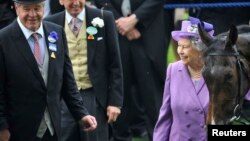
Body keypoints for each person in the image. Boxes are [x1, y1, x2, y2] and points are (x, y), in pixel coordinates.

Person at [0, 0, 98, 141]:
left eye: (37, 8)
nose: (32, 14)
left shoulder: (56, 32)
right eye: (27, 9)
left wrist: (81, 114)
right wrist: (2, 127)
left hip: (53, 129)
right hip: (17, 131)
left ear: (44, 7)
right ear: (16, 8)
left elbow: (67, 81)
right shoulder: (3, 40)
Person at [45, 0, 123, 141]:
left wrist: (115, 102)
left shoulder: (103, 17)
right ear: (61, 1)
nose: (75, 3)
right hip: (64, 99)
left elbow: (115, 63)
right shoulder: (50, 22)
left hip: (94, 95)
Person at [93, 0, 167, 140]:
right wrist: (121, 23)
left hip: (148, 29)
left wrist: (135, 18)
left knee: (152, 95)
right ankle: (120, 136)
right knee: (119, 89)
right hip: (116, 32)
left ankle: (159, 136)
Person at [153, 17, 214, 141]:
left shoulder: (216, 72)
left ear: (200, 49)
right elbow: (165, 115)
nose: (179, 51)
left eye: (185, 47)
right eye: (179, 46)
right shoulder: (173, 70)